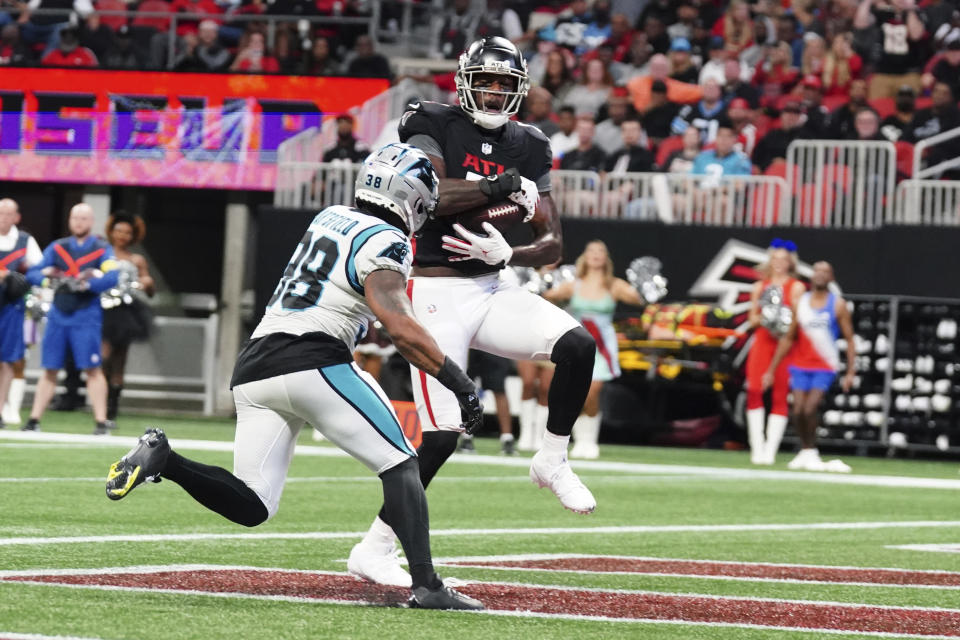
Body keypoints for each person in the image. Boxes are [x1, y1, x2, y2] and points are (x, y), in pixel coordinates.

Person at [105, 143, 484, 612]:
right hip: (312, 358)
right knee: (402, 463)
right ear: (411, 199)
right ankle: (427, 585)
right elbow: (402, 329)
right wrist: (461, 384)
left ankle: (167, 461)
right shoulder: (388, 238)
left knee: (253, 504)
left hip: (255, 366)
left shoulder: (328, 216)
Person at [348, 36, 598, 589]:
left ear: (519, 91)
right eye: (483, 81)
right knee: (440, 436)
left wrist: (513, 253)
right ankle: (373, 548)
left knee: (578, 346)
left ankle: (552, 458)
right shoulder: (430, 119)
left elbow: (554, 242)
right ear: (463, 81)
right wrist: (501, 187)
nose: (492, 92)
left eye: (503, 85)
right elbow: (428, 194)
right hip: (432, 291)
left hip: (491, 283)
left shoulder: (530, 143)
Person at [23, 203, 119, 435]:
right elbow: (35, 272)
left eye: (84, 218)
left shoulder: (101, 248)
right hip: (58, 315)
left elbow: (112, 276)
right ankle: (34, 420)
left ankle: (101, 421)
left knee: (92, 369)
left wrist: (86, 284)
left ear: (91, 221)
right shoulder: (58, 247)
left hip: (87, 316)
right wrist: (51, 282)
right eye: (75, 217)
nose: (78, 222)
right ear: (69, 220)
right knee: (50, 368)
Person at [542, 240, 643, 459]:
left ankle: (590, 440)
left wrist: (646, 288)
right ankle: (579, 442)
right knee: (577, 393)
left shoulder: (614, 285)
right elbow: (547, 297)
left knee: (592, 392)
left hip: (603, 347)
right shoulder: (573, 284)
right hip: (579, 345)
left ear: (606, 258)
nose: (596, 255)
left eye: (600, 252)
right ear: (585, 257)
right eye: (592, 251)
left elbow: (639, 299)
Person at [763, 261, 855, 472]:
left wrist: (850, 371)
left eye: (825, 272)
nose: (820, 275)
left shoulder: (838, 304)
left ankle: (812, 450)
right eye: (817, 271)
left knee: (810, 408)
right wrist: (771, 369)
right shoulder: (801, 303)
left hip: (824, 365)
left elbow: (849, 339)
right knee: (797, 411)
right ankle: (805, 451)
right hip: (800, 364)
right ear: (812, 276)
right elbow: (788, 338)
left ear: (831, 278)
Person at [744, 239, 806, 465]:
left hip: (785, 343)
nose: (778, 263)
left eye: (783, 259)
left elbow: (798, 320)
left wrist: (784, 319)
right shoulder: (760, 287)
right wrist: (767, 316)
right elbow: (752, 319)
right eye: (775, 259)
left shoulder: (796, 287)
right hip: (762, 341)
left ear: (790, 262)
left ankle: (770, 449)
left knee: (780, 393)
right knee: (754, 390)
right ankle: (756, 446)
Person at [101, 212, 155, 424]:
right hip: (103, 309)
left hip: (125, 313)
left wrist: (147, 283)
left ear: (133, 236)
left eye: (127, 232)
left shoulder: (136, 260)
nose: (122, 235)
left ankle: (112, 407)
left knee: (119, 360)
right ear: (112, 232)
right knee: (102, 356)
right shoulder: (103, 255)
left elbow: (149, 288)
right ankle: (102, 402)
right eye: (119, 231)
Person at [0, 199, 41, 429]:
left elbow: (37, 271)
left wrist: (19, 280)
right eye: (0, 213)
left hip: (11, 307)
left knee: (7, 359)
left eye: (8, 214)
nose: (4, 218)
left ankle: (2, 410)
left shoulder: (25, 241)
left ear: (17, 217)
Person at [462, 349, 515, 455]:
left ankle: (507, 438)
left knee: (499, 389)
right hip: (470, 343)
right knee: (465, 389)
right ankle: (466, 436)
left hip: (493, 343)